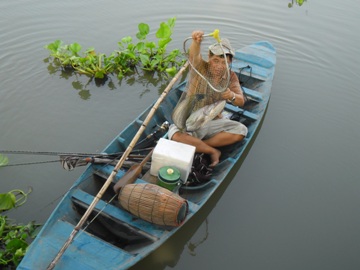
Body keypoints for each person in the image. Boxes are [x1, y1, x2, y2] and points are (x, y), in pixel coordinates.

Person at [168, 30, 248, 167]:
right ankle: (212, 151)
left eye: (224, 62)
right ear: (209, 58)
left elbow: (241, 101)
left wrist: (232, 95)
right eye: (216, 61)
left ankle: (199, 146)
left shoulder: (231, 76)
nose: (219, 66)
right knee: (175, 135)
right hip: (189, 120)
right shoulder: (200, 68)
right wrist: (196, 42)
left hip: (210, 121)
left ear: (230, 61)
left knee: (241, 131)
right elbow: (194, 55)